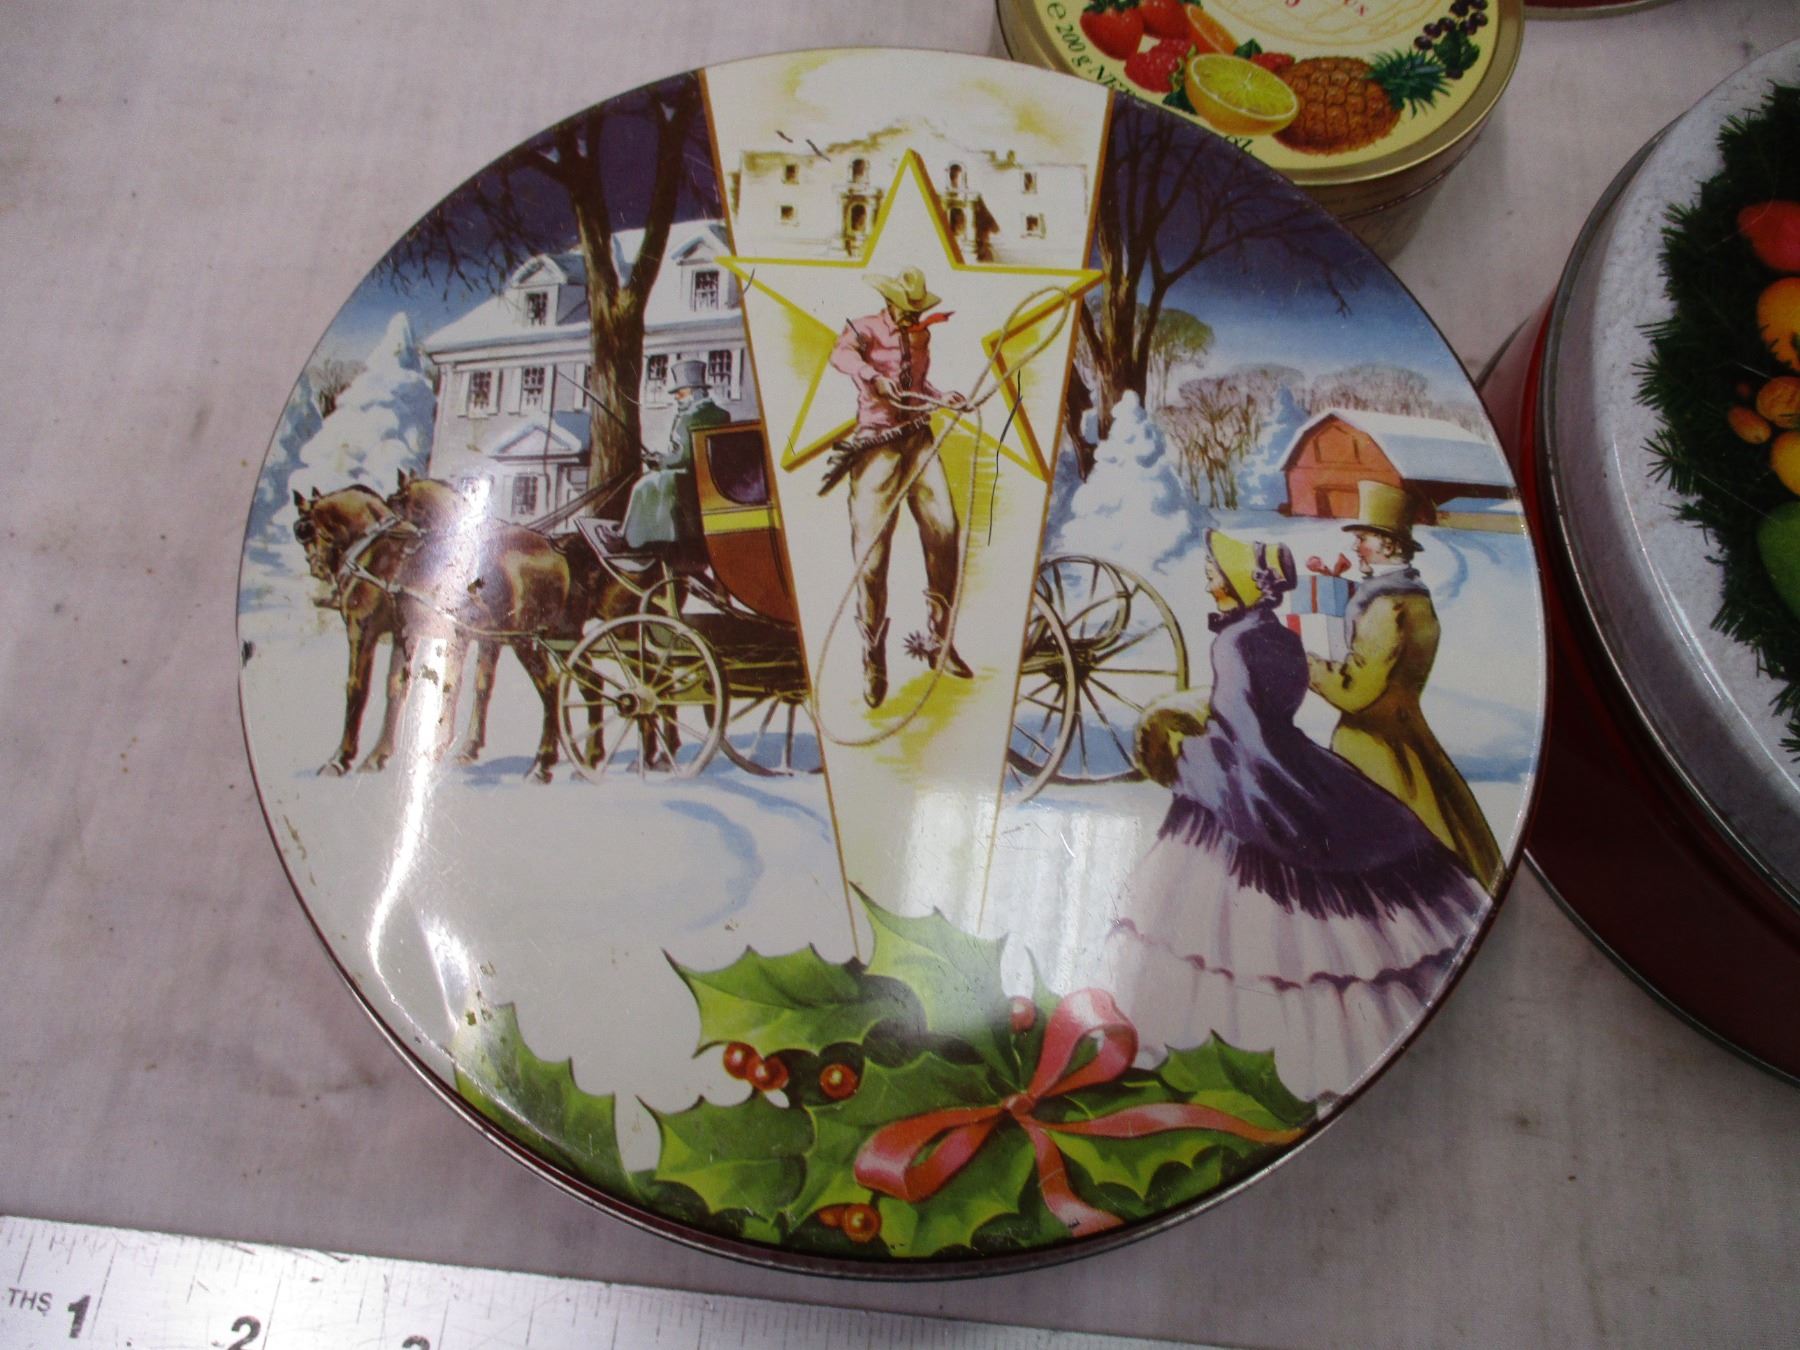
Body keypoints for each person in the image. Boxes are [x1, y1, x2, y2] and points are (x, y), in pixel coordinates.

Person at [1094, 529, 1491, 1105]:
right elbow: (1272, 716)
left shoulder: (1234, 645)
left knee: (1216, 917)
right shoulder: (1279, 636)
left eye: (1214, 572)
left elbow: (1243, 732)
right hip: (1297, 761)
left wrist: (1202, 765)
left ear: (1239, 583)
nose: (1208, 580)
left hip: (1253, 772)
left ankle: (1252, 1056)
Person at [1306, 481, 1504, 893]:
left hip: (1373, 749)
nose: (1357, 547)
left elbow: (1354, 692)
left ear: (1389, 545)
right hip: (1409, 736)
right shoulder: (1415, 599)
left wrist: (1305, 663)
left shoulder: (1386, 607)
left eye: (1364, 538)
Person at [825, 266, 971, 708]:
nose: (913, 318)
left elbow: (916, 384)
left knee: (945, 530)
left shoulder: (922, 336)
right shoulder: (863, 327)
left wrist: (941, 397)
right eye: (907, 310)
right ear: (890, 303)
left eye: (917, 311)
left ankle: (940, 640)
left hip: (918, 440)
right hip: (877, 448)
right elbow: (840, 355)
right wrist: (872, 376)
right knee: (871, 559)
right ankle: (873, 658)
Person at [616, 358, 728, 553]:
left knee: (644, 485)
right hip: (708, 476)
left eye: (680, 393)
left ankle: (631, 540)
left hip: (690, 478)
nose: (676, 397)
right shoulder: (720, 414)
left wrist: (660, 461)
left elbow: (684, 457)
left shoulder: (689, 417)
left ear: (695, 392)